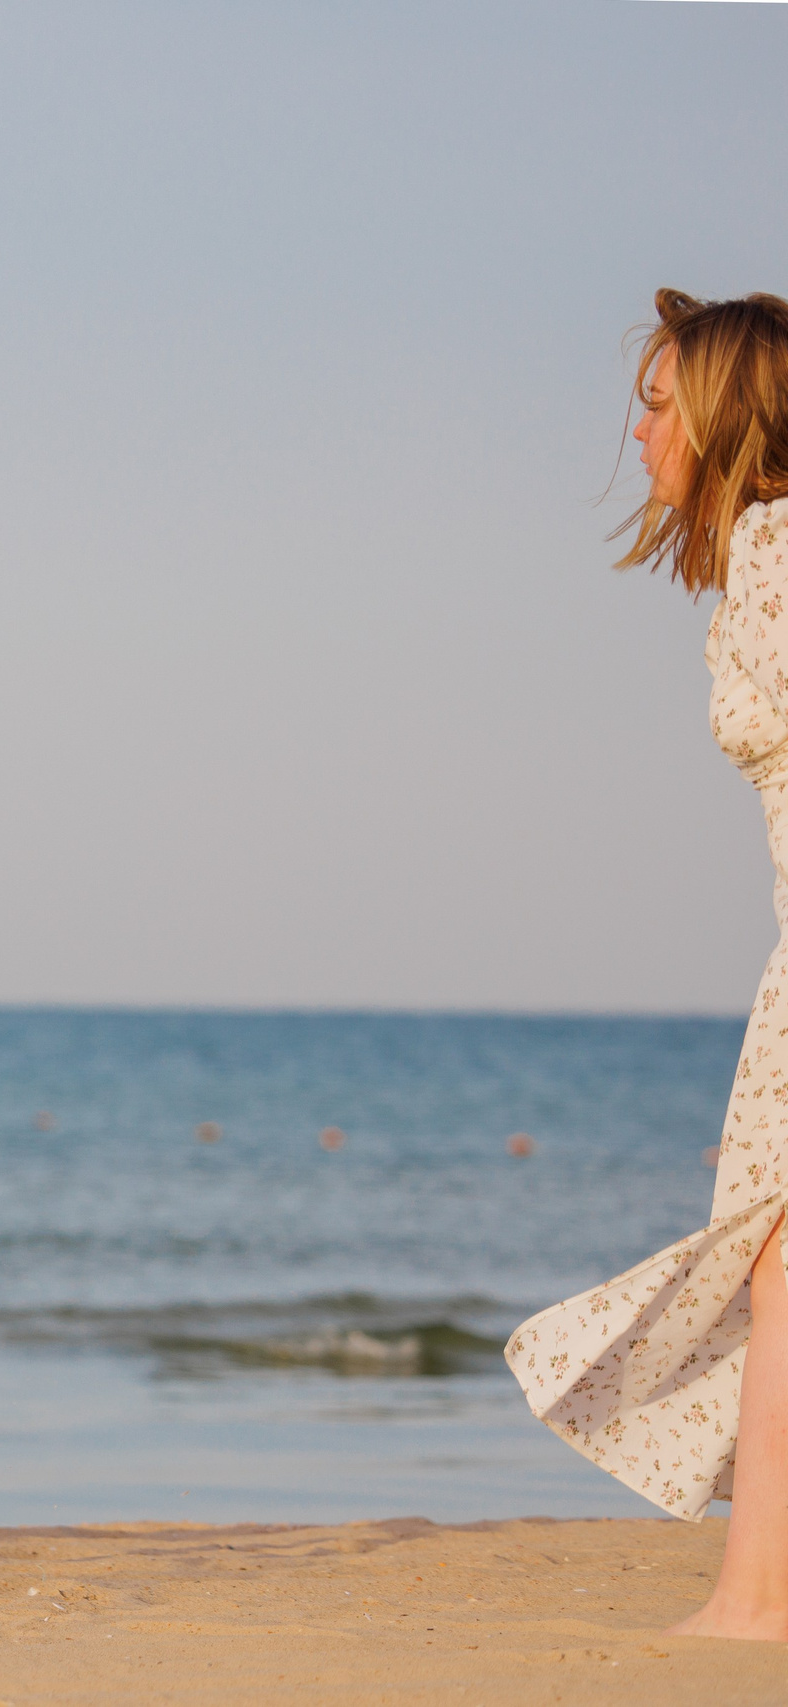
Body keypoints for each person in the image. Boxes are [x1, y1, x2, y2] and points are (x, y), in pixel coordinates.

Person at [506, 288, 788, 1642]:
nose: (637, 433)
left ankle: (756, 1600)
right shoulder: (767, 559)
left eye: (659, 405)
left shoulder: (785, 554)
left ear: (729, 414)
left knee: (779, 1264)